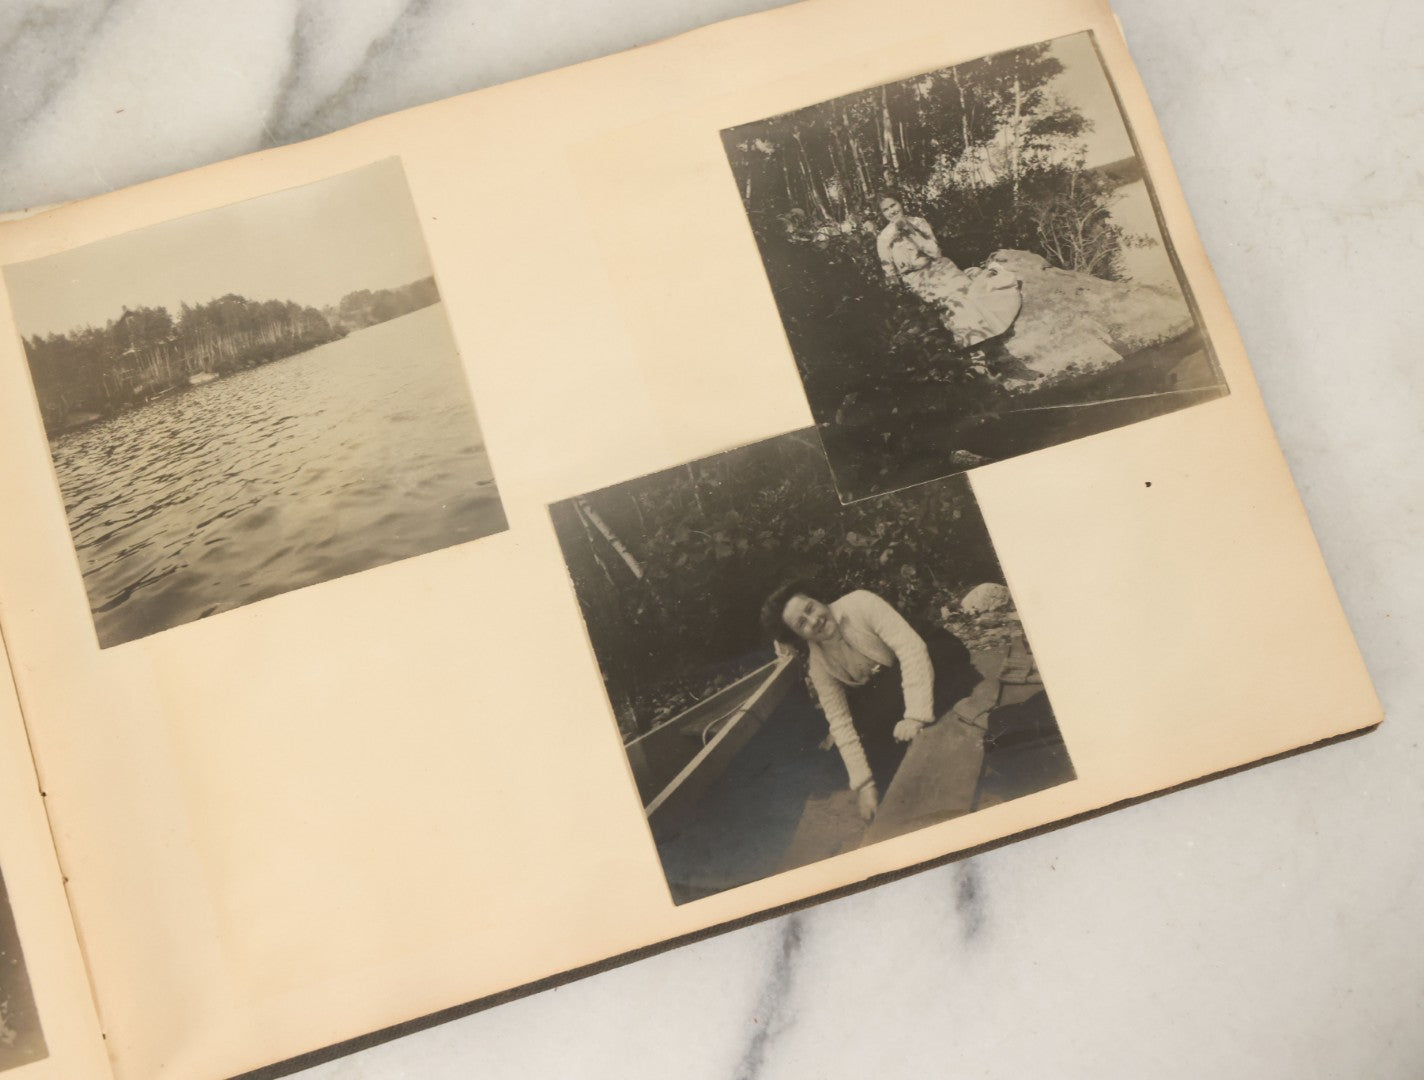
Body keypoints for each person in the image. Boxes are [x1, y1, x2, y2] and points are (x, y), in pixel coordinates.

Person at [761, 581, 980, 823]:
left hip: (930, 650)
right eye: (802, 623)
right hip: (891, 684)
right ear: (798, 635)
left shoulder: (860, 602)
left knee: (905, 697)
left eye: (810, 608)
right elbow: (839, 720)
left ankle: (926, 713)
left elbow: (911, 649)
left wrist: (914, 716)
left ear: (819, 599)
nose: (813, 621)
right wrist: (863, 784)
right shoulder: (818, 664)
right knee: (869, 724)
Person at [875, 189, 1022, 351]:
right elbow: (889, 272)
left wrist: (911, 233)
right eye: (885, 209)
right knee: (952, 301)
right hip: (917, 278)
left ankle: (987, 344)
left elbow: (935, 253)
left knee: (969, 293)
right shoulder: (884, 238)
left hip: (940, 267)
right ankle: (978, 351)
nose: (891, 211)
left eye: (893, 205)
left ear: (900, 203)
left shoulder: (919, 223)